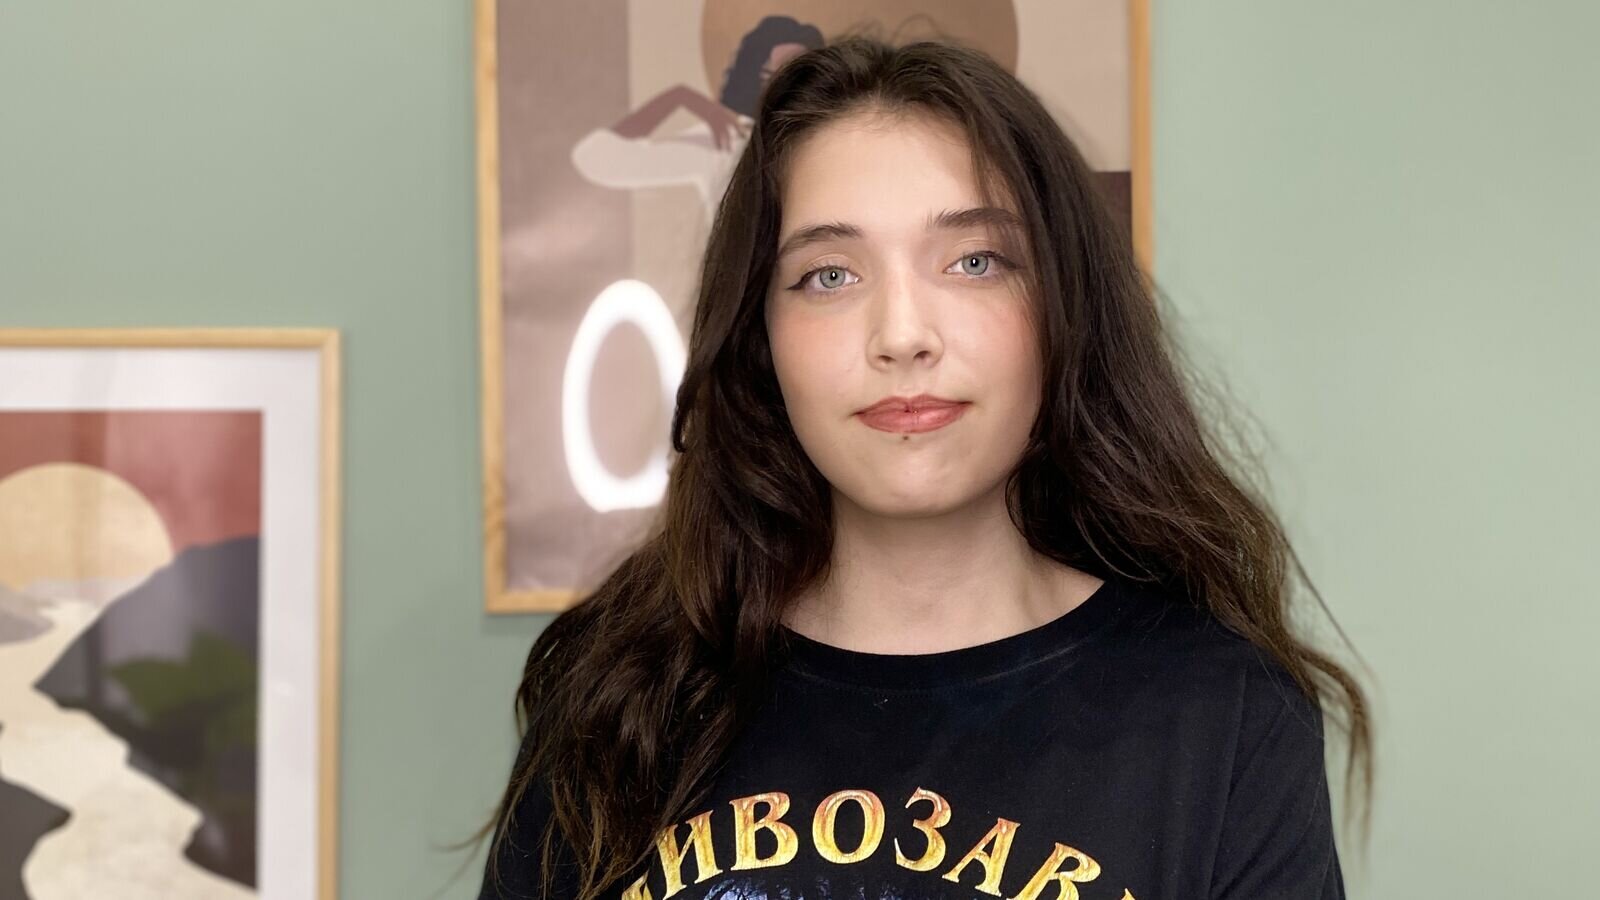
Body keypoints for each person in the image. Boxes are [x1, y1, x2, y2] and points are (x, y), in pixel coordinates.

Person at [474, 35, 1373, 900]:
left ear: (1063, 309)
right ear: (760, 340)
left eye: (975, 262)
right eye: (830, 275)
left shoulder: (1222, 715)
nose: (902, 335)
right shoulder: (618, 698)